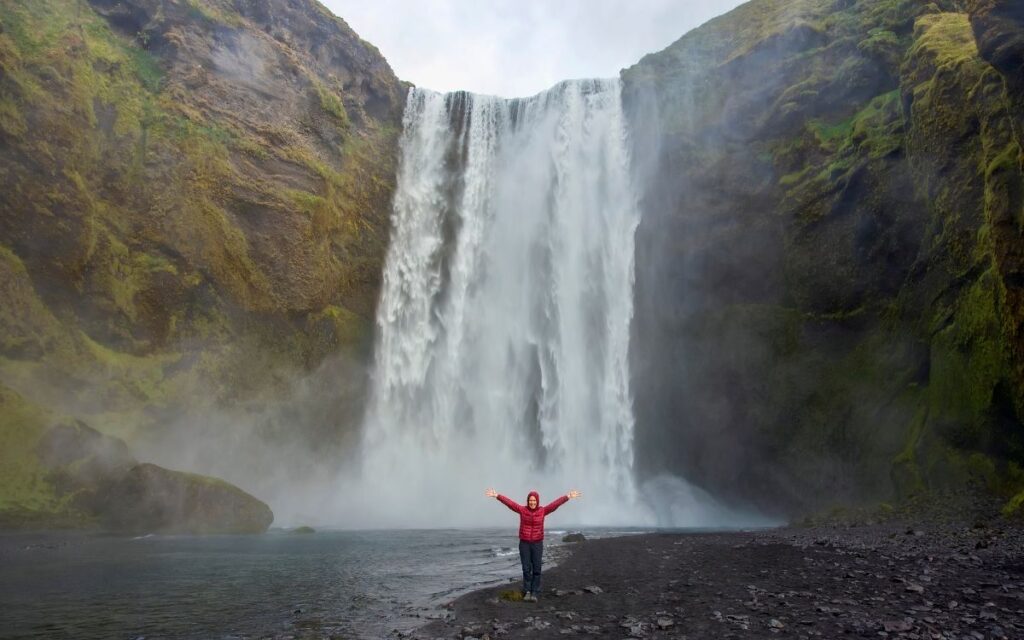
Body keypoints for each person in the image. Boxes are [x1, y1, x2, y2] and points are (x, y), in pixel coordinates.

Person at [485, 487, 582, 602]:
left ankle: (535, 591)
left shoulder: (542, 511)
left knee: (537, 569)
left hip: (537, 544)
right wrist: (497, 496)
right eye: (530, 500)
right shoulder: (522, 510)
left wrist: (568, 496)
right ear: (528, 501)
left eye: (534, 500)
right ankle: (527, 591)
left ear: (537, 501)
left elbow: (555, 504)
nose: (532, 502)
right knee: (526, 569)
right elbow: (510, 503)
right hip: (524, 544)